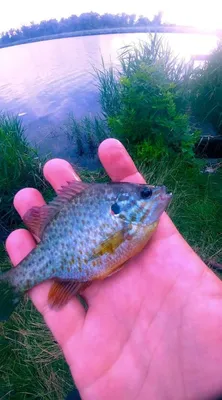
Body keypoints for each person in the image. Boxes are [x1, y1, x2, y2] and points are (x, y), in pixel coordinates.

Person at [6, 138, 222, 400]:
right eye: (145, 194)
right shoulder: (129, 226)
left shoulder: (136, 224)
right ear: (121, 209)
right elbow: (109, 247)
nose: (155, 193)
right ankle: (11, 286)